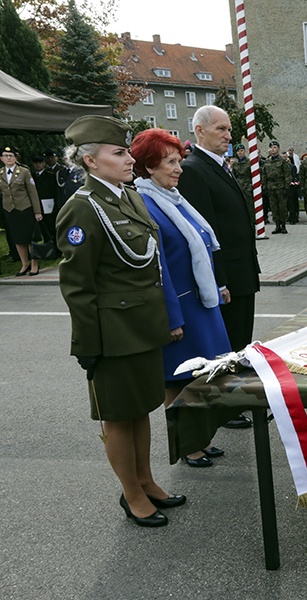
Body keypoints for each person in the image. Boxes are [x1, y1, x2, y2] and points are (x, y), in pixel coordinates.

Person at [55, 115, 183, 527]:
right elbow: (78, 286)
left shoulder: (128, 198)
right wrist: (88, 345)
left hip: (143, 327)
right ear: (90, 161)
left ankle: (146, 480)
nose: (130, 159)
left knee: (141, 409)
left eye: (127, 151)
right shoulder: (82, 209)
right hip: (113, 334)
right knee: (118, 416)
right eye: (119, 152)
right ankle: (130, 494)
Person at [130, 129, 232, 467]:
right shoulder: (146, 205)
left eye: (179, 161)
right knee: (176, 381)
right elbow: (158, 270)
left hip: (201, 305)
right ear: (149, 166)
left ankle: (199, 439)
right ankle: (186, 446)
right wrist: (171, 318)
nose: (179, 169)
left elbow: (200, 247)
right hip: (181, 308)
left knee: (200, 376)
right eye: (171, 162)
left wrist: (217, 285)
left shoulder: (172, 199)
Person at [179, 105, 260, 429]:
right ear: (199, 131)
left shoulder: (218, 165)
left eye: (229, 130)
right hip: (228, 276)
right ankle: (225, 407)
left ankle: (233, 401)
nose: (229, 136)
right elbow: (205, 233)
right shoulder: (194, 169)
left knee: (239, 341)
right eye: (221, 130)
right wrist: (219, 280)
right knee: (226, 345)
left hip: (242, 270)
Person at [1, 145, 43, 276]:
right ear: (1, 158)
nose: (8, 158)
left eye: (11, 156)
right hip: (10, 210)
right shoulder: (1, 173)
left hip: (25, 208)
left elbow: (33, 192)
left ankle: (34, 263)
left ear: (15, 158)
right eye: (6, 156)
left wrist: (37, 211)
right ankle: (25, 263)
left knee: (29, 237)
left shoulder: (24, 171)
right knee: (17, 238)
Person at [261, 140, 292, 234]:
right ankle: (277, 225)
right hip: (271, 187)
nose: (273, 149)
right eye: (271, 147)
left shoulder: (282, 161)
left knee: (282, 207)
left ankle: (283, 225)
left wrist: (286, 187)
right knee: (273, 207)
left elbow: (287, 174)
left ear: (278, 149)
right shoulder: (267, 161)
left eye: (275, 147)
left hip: (280, 186)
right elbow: (264, 174)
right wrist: (264, 186)